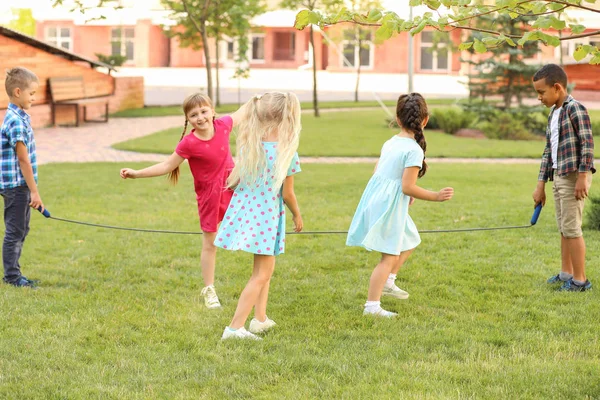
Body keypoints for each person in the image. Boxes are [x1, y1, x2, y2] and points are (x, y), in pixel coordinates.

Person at [120, 93, 243, 307]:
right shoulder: (189, 143)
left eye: (204, 111)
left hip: (232, 188)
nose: (201, 117)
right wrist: (136, 173)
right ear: (188, 119)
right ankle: (209, 289)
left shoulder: (223, 125)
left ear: (212, 111)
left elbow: (244, 112)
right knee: (210, 243)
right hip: (210, 197)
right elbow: (167, 166)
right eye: (194, 115)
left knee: (247, 226)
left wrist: (262, 98)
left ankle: (258, 278)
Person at [347, 93, 454, 317]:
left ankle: (389, 281)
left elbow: (381, 173)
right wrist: (435, 196)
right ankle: (372, 306)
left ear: (397, 119)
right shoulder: (413, 149)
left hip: (380, 200)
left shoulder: (391, 142)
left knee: (410, 239)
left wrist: (401, 192)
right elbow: (407, 186)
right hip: (388, 205)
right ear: (425, 120)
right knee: (389, 257)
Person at [216, 92, 303, 340]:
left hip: (252, 213)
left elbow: (238, 182)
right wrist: (297, 215)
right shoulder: (287, 152)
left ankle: (260, 319)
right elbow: (288, 194)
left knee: (265, 270)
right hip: (265, 217)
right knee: (261, 275)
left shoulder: (249, 144)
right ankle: (234, 328)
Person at [532, 63, 595, 292]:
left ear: (557, 87)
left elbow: (588, 144)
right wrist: (541, 185)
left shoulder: (575, 109)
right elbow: (548, 151)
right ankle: (566, 273)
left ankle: (580, 280)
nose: (539, 97)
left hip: (573, 177)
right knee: (563, 228)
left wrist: (582, 177)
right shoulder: (553, 113)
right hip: (559, 176)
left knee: (572, 229)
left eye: (541, 92)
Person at [1, 67, 44, 288]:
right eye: (32, 93)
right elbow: (23, 160)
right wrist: (34, 191)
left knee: (21, 229)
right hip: (17, 186)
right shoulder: (16, 121)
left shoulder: (18, 117)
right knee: (15, 231)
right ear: (18, 92)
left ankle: (14, 274)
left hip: (19, 186)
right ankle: (12, 277)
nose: (34, 98)